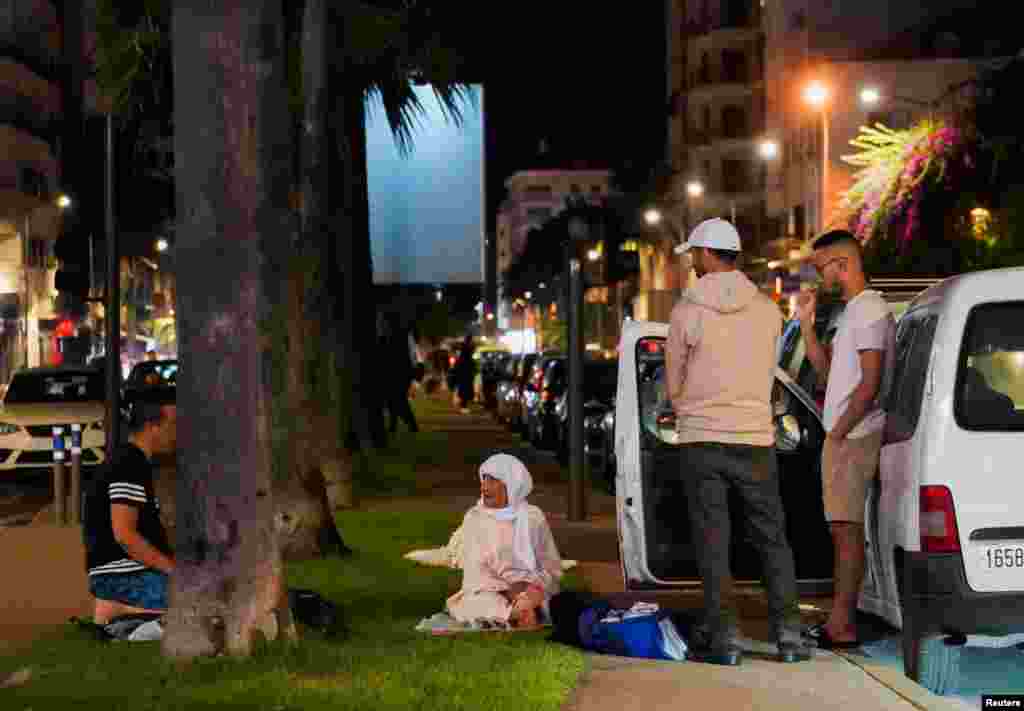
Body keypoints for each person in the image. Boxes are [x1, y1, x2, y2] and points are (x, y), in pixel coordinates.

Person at [666, 218, 810, 665]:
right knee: (772, 538)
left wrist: (690, 403)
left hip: (701, 440)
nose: (691, 261)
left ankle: (725, 641)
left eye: (694, 253)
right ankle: (788, 636)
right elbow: (770, 374)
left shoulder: (687, 311)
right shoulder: (768, 310)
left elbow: (674, 383)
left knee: (713, 541)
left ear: (708, 255)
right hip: (755, 439)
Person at [796, 229, 896, 650]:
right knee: (843, 529)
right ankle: (840, 620)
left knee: (847, 531)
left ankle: (842, 625)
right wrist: (805, 324)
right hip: (846, 434)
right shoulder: (852, 312)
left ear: (843, 263)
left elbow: (869, 385)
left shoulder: (870, 309)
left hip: (854, 436)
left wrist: (836, 434)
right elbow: (825, 373)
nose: (821, 278)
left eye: (823, 269)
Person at [82, 387, 177, 624]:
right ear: (152, 426)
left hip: (125, 574)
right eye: (173, 424)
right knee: (204, 604)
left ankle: (126, 613)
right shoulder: (129, 464)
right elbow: (125, 535)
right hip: (123, 577)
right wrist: (175, 570)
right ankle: (123, 612)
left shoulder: (131, 461)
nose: (178, 433)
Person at [446, 453, 563, 627]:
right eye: (483, 480)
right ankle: (515, 613)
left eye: (492, 481)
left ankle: (522, 610)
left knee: (555, 602)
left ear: (511, 485)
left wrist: (531, 588)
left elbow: (551, 566)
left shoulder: (533, 517)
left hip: (531, 588)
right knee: (475, 604)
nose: (484, 487)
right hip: (490, 590)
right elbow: (475, 572)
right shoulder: (474, 518)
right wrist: (507, 590)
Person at [381, 313, 419, 434]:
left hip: (399, 371)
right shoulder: (404, 335)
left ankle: (411, 425)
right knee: (395, 399)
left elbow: (412, 354)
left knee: (398, 400)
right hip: (401, 371)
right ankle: (395, 426)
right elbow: (413, 354)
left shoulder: (395, 335)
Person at [453, 334, 476, 414]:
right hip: (466, 372)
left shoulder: (463, 350)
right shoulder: (468, 350)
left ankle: (463, 406)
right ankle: (463, 407)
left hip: (463, 372)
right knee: (465, 390)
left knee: (463, 390)